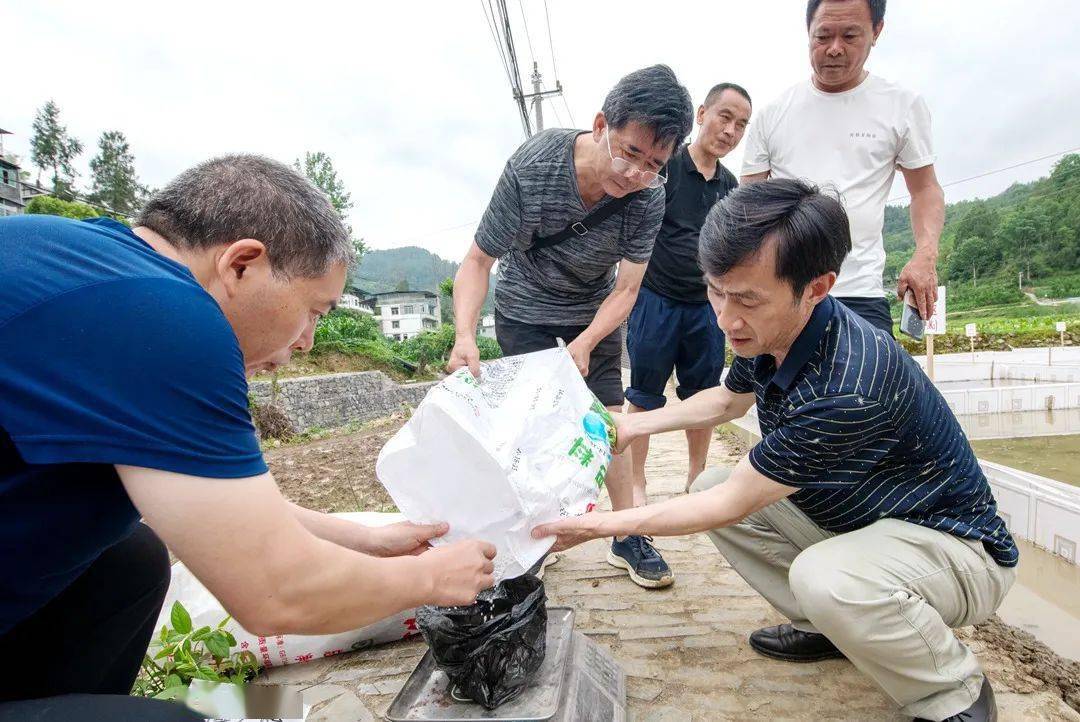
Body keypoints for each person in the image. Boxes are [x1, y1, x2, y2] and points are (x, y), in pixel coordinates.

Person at [0, 156, 496, 721]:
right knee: (183, 718)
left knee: (129, 561)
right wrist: (431, 577)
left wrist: (368, 540)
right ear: (242, 265)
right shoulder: (166, 318)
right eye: (313, 311)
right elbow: (275, 591)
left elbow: (214, 506)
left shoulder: (76, 258)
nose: (308, 341)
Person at [534, 179, 1017, 722]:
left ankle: (953, 692)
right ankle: (829, 628)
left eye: (747, 299)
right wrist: (629, 428)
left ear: (816, 286)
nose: (725, 318)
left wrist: (595, 526)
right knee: (708, 484)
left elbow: (730, 505)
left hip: (957, 551)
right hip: (870, 525)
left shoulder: (847, 385)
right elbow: (727, 402)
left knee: (816, 570)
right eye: (717, 291)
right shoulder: (772, 331)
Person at [447, 65, 694, 588]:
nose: (634, 174)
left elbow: (627, 289)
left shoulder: (650, 195)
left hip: (593, 314)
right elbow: (476, 263)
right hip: (524, 309)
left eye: (653, 163)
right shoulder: (533, 167)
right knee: (529, 427)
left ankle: (626, 534)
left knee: (606, 425)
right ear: (602, 124)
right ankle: (532, 536)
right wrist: (464, 335)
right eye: (629, 151)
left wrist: (585, 343)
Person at [740, 0, 945, 333]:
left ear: (877, 31)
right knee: (768, 387)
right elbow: (746, 208)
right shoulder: (773, 114)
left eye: (850, 36)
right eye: (823, 36)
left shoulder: (902, 106)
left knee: (871, 384)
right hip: (784, 296)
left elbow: (925, 189)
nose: (834, 49)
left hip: (861, 294)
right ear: (808, 32)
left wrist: (925, 255)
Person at [625, 82, 751, 514]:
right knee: (642, 394)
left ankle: (697, 477)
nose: (731, 130)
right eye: (724, 117)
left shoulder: (731, 187)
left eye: (741, 124)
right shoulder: (667, 167)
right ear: (701, 114)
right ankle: (636, 481)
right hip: (655, 300)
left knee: (702, 396)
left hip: (706, 308)